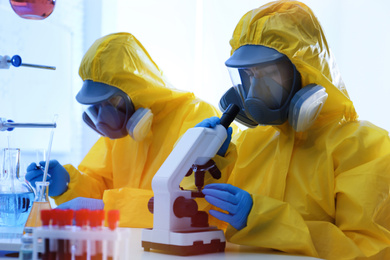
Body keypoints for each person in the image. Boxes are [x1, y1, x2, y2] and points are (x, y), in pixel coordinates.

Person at [199, 1, 390, 259]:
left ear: (304, 71)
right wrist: (203, 164)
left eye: (267, 74)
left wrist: (264, 219)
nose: (254, 92)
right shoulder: (249, 144)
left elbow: (368, 249)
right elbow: (198, 225)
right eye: (248, 76)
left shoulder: (366, 148)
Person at [25, 32, 235, 228]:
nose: (101, 117)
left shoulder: (194, 115)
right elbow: (99, 192)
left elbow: (190, 204)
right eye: (94, 107)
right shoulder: (121, 132)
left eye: (108, 102)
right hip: (124, 246)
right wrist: (68, 184)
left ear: (136, 92)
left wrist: (108, 207)